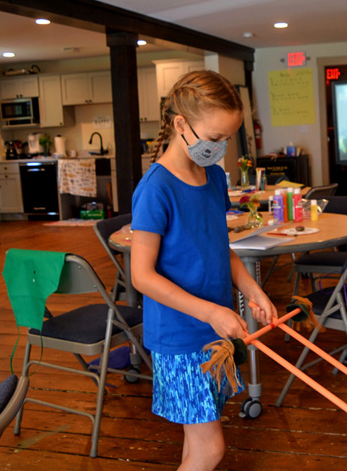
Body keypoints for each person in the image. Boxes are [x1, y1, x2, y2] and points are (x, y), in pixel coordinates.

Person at [130, 70, 277, 470]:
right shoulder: (155, 189)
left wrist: (251, 289)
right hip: (181, 338)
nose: (221, 149)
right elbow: (141, 276)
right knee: (210, 449)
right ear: (181, 124)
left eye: (227, 139)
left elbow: (219, 247)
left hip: (212, 335)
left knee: (197, 446)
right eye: (214, 139)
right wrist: (211, 312)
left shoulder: (212, 175)